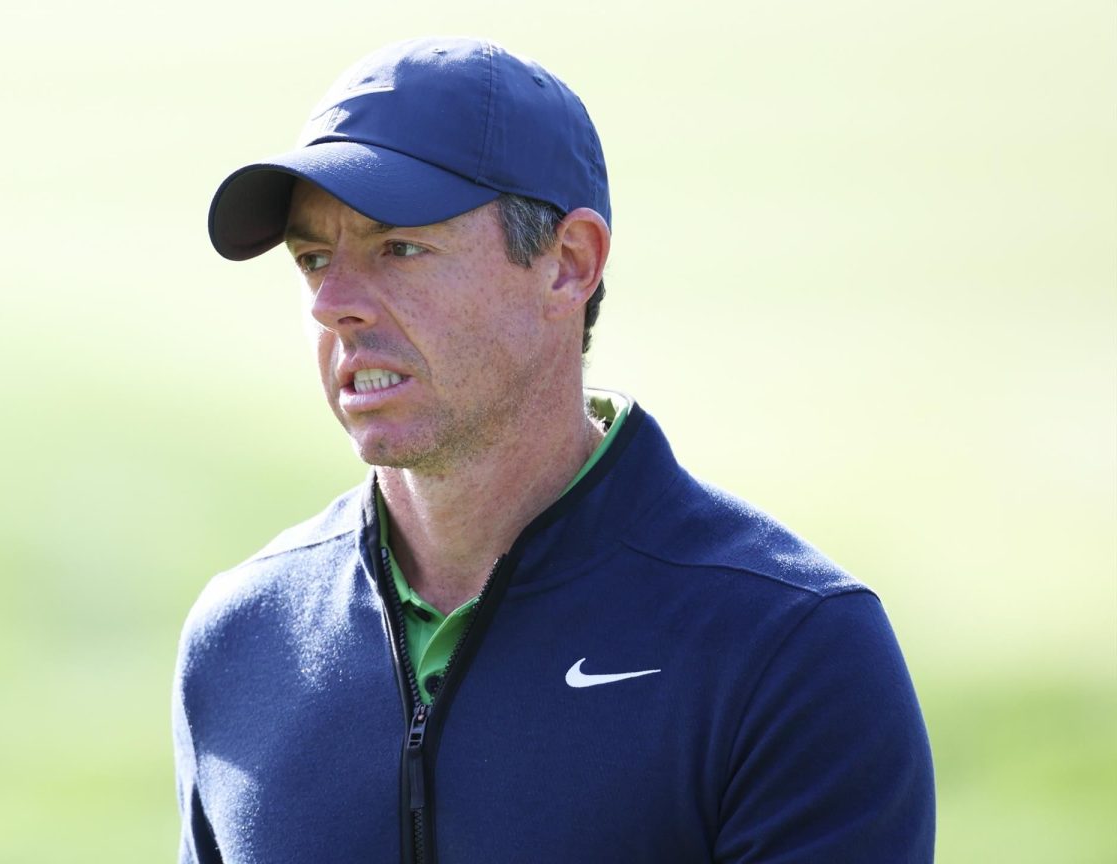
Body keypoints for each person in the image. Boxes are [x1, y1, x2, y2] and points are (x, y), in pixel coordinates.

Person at [174, 36, 934, 864]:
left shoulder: (789, 650)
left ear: (569, 265)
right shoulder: (240, 641)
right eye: (314, 258)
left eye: (400, 248)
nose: (333, 304)